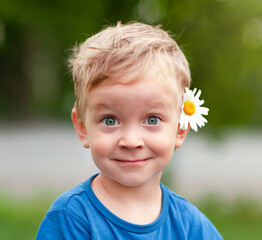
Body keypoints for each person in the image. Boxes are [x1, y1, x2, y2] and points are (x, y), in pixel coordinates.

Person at [36, 22, 222, 239]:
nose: (131, 141)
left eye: (152, 119)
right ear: (82, 127)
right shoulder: (71, 219)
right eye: (110, 120)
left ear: (180, 128)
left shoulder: (192, 227)